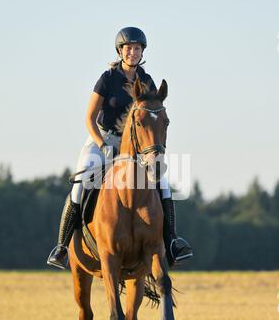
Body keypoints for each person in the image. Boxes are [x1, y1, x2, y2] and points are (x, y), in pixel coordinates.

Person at [47, 27, 193, 270]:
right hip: (101, 138)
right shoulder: (107, 78)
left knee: (163, 184)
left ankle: (172, 242)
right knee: (81, 182)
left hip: (135, 146)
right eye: (128, 48)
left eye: (137, 49)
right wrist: (103, 145)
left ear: (142, 52)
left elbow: (151, 117)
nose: (133, 52)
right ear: (120, 51)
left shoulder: (146, 81)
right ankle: (62, 247)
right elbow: (90, 118)